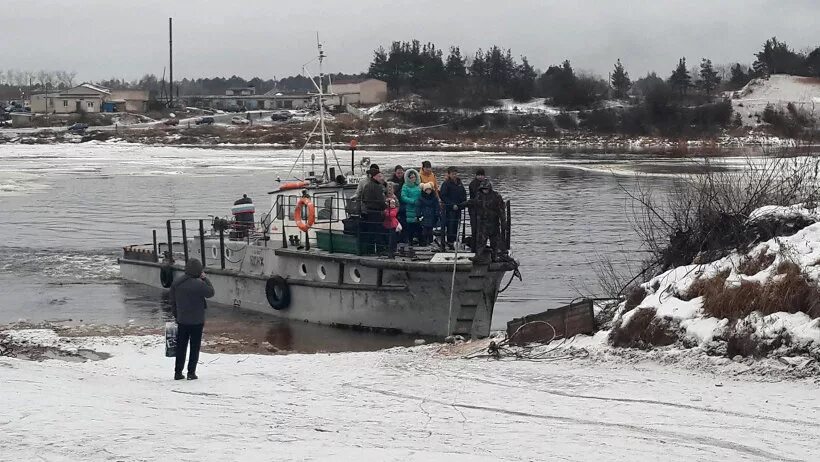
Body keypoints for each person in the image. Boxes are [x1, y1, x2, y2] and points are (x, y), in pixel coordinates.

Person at [170, 258, 215, 380]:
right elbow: (211, 292)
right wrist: (205, 278)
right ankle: (191, 372)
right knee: (194, 347)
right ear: (198, 271)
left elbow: (173, 302)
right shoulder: (199, 284)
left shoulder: (176, 283)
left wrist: (176, 316)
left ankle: (178, 372)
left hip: (182, 320)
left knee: (181, 347)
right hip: (197, 321)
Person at [468, 179, 507, 262]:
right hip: (482, 223)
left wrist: (503, 221)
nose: (485, 190)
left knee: (495, 242)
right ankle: (478, 256)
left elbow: (501, 210)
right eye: (483, 189)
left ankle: (495, 256)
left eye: (486, 189)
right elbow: (474, 203)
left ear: (490, 188)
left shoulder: (496, 196)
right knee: (480, 241)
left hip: (494, 223)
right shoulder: (479, 195)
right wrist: (462, 205)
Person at [360, 164, 387, 252]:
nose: (381, 178)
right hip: (376, 211)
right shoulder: (377, 187)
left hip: (368, 211)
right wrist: (385, 207)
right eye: (379, 176)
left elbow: (363, 197)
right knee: (378, 231)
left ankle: (369, 249)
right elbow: (380, 200)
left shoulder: (367, 185)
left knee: (370, 231)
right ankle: (380, 249)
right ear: (375, 177)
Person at [439, 166, 467, 250]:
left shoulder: (459, 183)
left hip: (459, 207)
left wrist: (463, 203)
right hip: (449, 208)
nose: (454, 175)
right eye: (452, 174)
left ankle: (456, 240)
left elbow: (463, 193)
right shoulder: (446, 184)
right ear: (449, 174)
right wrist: (452, 205)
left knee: (457, 224)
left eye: (455, 174)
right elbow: (443, 196)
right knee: (450, 225)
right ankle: (450, 241)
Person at [400, 169, 422, 247]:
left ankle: (420, 242)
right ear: (408, 178)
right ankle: (410, 241)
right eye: (411, 177)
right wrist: (412, 201)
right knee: (411, 226)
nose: (413, 179)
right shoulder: (405, 186)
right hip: (410, 208)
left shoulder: (418, 185)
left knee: (419, 226)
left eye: (414, 177)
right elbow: (403, 197)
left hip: (419, 208)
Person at [468, 168, 486, 249]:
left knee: (483, 229)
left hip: (483, 210)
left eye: (482, 175)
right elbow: (477, 195)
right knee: (475, 229)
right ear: (476, 176)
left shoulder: (486, 183)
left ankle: (481, 245)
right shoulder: (473, 184)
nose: (480, 177)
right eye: (479, 175)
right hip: (474, 209)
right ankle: (474, 247)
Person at [383, 189, 401, 258]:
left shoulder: (394, 210)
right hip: (388, 224)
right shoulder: (387, 209)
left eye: (394, 204)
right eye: (392, 204)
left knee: (392, 238)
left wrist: (387, 212)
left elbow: (392, 215)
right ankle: (390, 250)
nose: (393, 205)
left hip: (393, 224)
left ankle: (392, 250)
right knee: (389, 237)